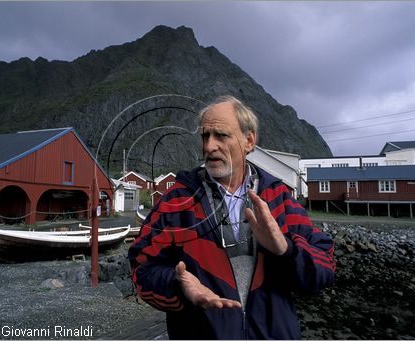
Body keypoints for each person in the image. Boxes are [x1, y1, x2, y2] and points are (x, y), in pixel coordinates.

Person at [128, 95, 335, 339]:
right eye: (205, 136)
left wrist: (287, 250)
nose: (209, 146)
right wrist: (178, 285)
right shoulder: (176, 201)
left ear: (248, 141)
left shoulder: (279, 198)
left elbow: (325, 267)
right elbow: (141, 266)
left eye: (221, 135)